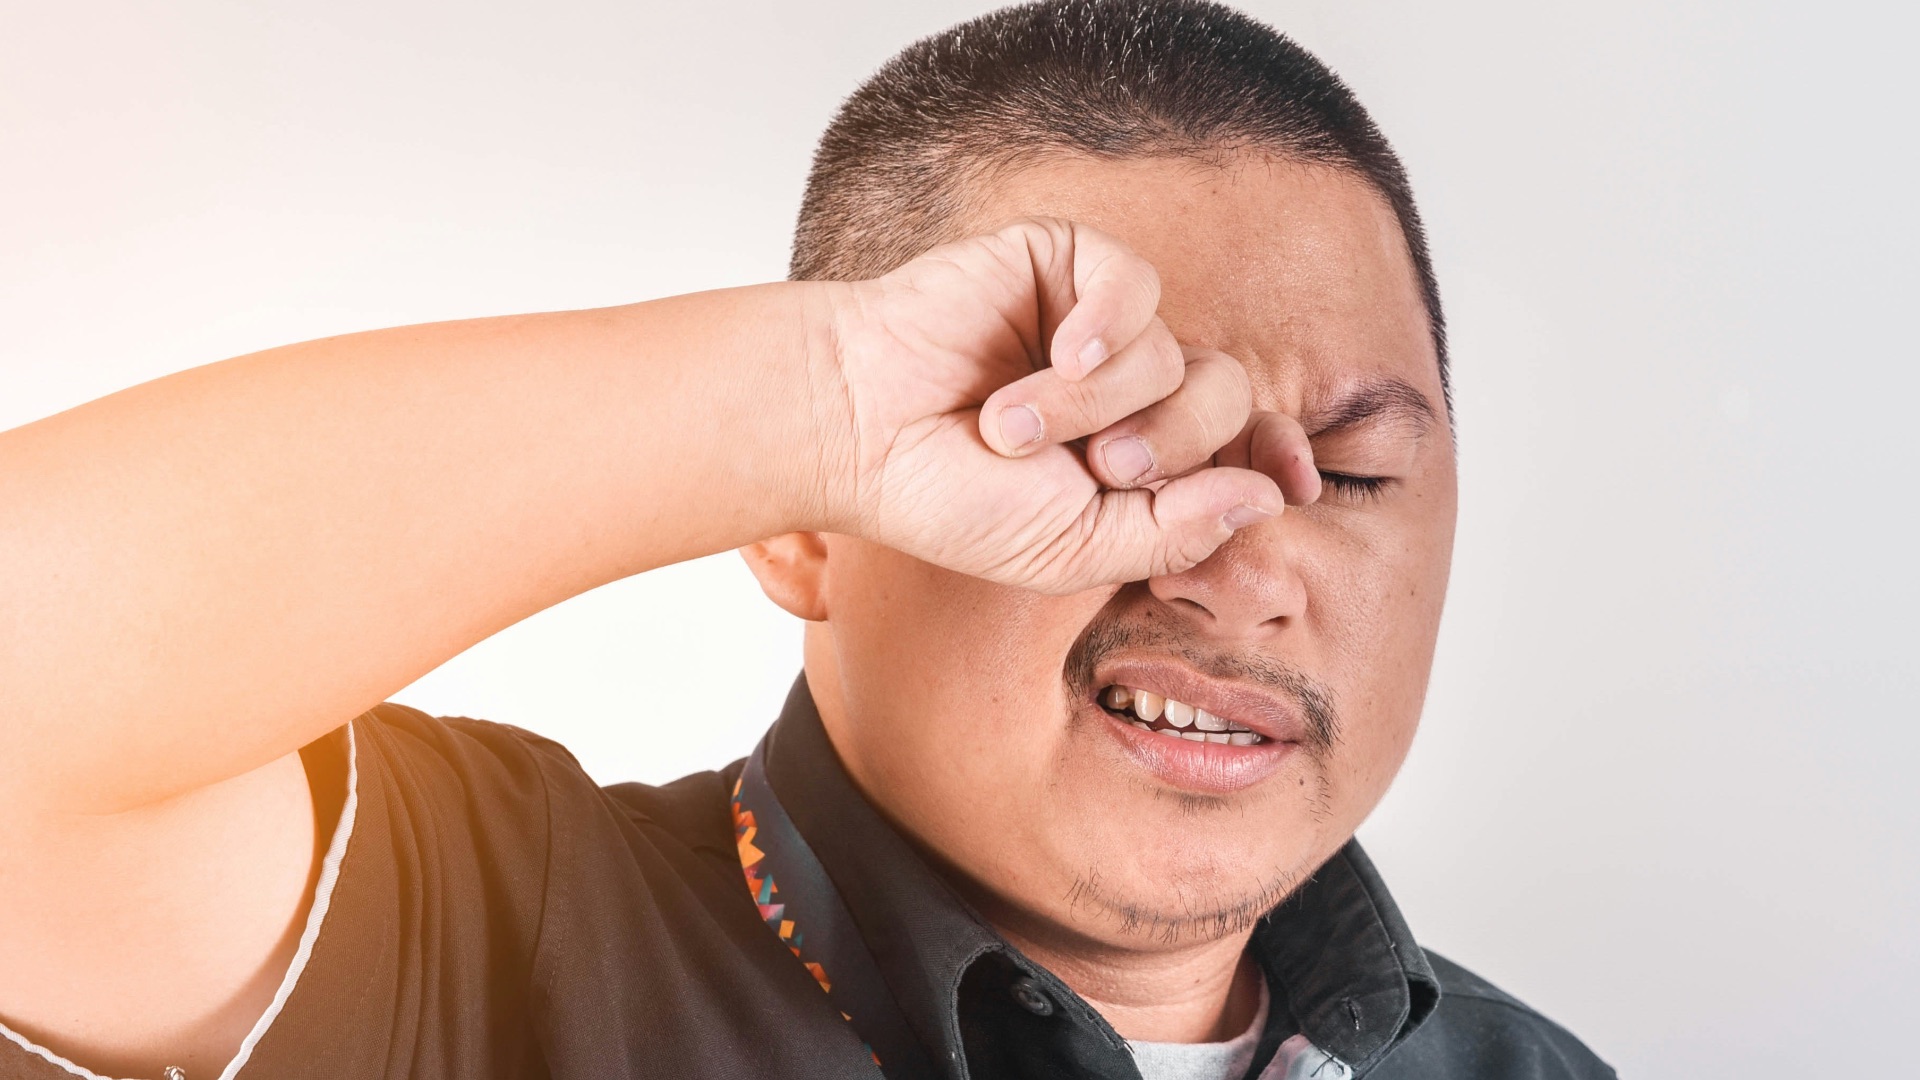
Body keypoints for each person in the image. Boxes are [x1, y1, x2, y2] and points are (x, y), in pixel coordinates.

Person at [0, 2, 1614, 1078]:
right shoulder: (488, 940)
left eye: (1353, 473)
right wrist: (818, 401)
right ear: (800, 524)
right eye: (1103, 448)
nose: (1245, 566)